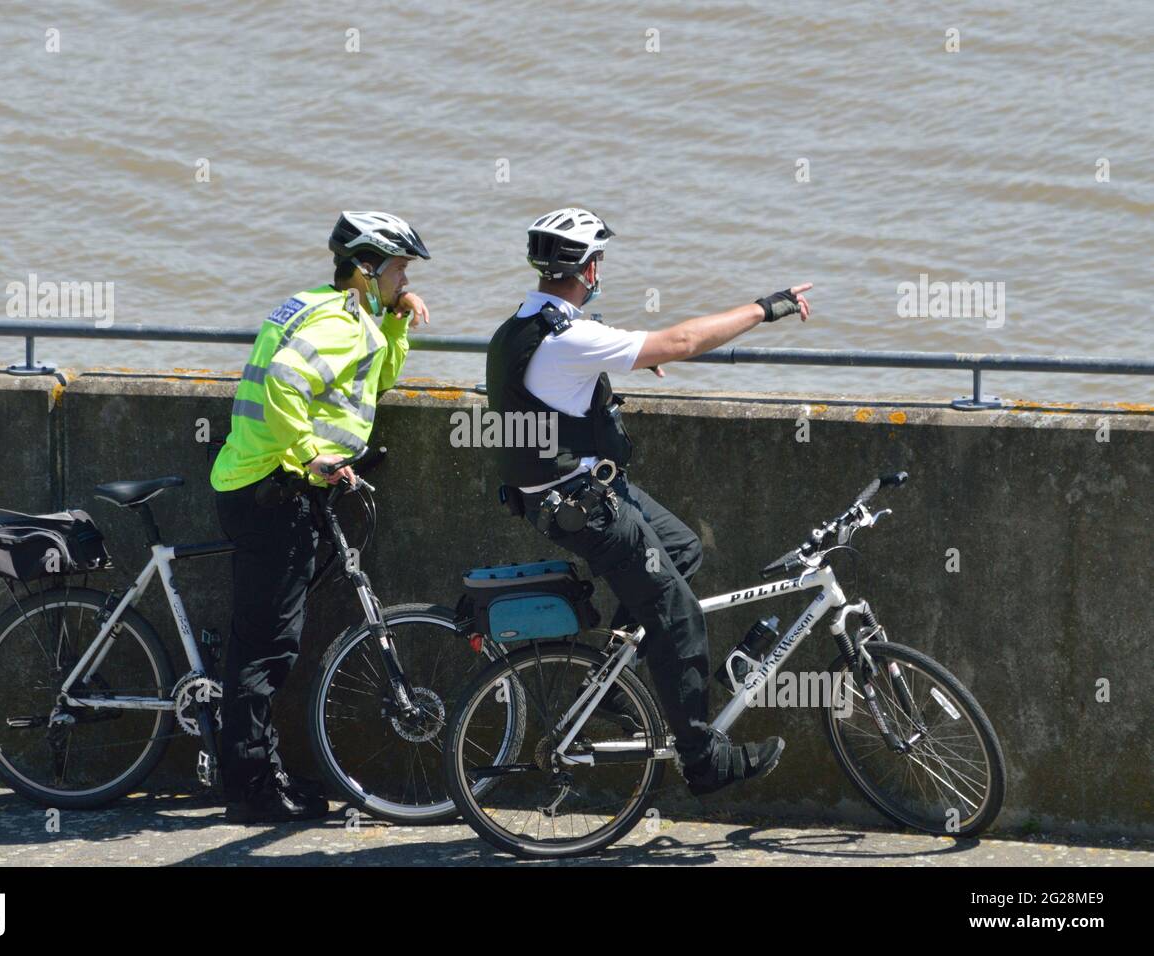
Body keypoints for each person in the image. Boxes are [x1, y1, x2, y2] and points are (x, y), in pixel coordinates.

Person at [485, 207, 811, 793]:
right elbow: (682, 340)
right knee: (681, 619)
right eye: (597, 259)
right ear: (585, 269)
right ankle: (703, 758)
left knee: (682, 549)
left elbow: (551, 394)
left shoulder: (521, 326)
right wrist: (765, 308)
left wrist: (611, 371)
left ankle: (609, 683)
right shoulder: (571, 337)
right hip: (583, 505)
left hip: (577, 490)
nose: (600, 268)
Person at [210, 211, 431, 822]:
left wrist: (397, 317)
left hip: (255, 479)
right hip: (273, 488)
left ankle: (264, 772)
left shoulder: (320, 307)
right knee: (267, 649)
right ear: (366, 269)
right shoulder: (339, 322)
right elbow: (284, 381)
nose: (406, 277)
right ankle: (252, 791)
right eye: (399, 268)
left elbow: (372, 379)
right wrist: (313, 455)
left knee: (261, 641)